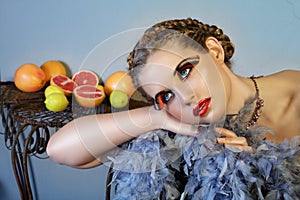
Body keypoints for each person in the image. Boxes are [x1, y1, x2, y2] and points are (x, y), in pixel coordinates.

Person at [46, 18, 300, 198]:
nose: (185, 97)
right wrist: (154, 117)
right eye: (166, 95)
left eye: (185, 71)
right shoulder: (175, 132)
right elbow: (59, 149)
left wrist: (262, 170)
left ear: (214, 51)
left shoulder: (293, 89)